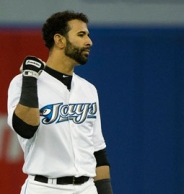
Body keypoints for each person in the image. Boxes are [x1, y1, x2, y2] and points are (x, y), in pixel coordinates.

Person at [7, 10, 113, 194]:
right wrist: (30, 81)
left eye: (87, 35)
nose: (89, 42)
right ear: (60, 40)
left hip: (87, 188)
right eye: (81, 35)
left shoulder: (88, 90)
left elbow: (98, 152)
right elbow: (25, 128)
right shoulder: (23, 82)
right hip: (44, 187)